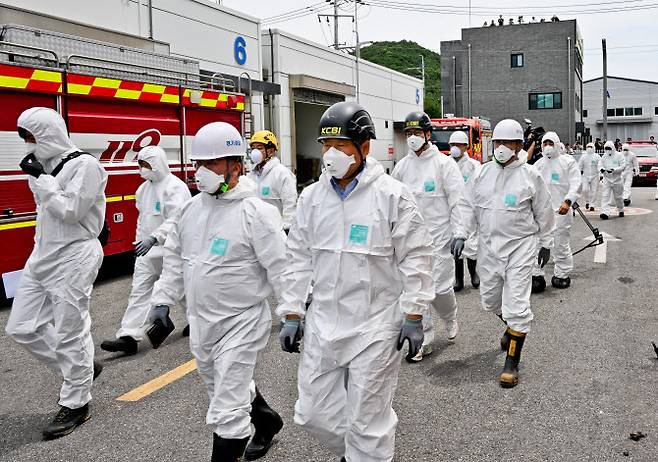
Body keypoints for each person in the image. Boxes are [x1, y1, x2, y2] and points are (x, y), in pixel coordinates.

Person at [278, 101, 434, 462]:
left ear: (364, 147)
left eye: (342, 146)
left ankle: (365, 454)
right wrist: (291, 312)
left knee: (368, 423)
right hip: (323, 324)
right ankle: (358, 454)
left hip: (375, 326)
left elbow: (417, 257)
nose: (331, 155)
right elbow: (297, 258)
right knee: (313, 413)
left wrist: (414, 314)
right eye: (326, 146)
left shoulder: (391, 196)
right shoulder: (312, 199)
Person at [149, 122, 286, 461]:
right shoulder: (192, 210)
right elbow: (175, 259)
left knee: (227, 410)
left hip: (242, 323)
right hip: (202, 323)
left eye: (211, 164)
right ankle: (266, 420)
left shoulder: (256, 213)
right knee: (224, 389)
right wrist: (162, 300)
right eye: (198, 164)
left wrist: (295, 313)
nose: (201, 172)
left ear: (235, 166)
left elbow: (285, 269)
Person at [5, 107, 107, 439]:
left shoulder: (85, 166)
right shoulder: (43, 168)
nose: (28, 146)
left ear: (48, 134)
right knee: (22, 326)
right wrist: (40, 178)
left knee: (70, 331)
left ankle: (76, 402)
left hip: (75, 254)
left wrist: (42, 182)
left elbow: (71, 211)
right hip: (43, 254)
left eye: (31, 138)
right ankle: (81, 369)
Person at [451, 119, 555, 388]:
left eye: (507, 143)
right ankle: (511, 329)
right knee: (491, 301)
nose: (501, 148)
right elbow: (466, 205)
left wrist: (546, 242)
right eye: (497, 142)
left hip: (521, 248)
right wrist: (461, 232)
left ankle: (511, 364)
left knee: (518, 306)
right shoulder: (482, 173)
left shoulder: (531, 176)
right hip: (489, 248)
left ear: (519, 145)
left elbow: (544, 212)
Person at [100, 146, 191, 355]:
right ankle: (129, 336)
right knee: (139, 292)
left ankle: (197, 322)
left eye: (146, 165)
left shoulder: (175, 188)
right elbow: (143, 221)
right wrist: (140, 242)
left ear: (158, 163)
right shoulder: (143, 190)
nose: (142, 169)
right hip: (147, 253)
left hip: (171, 251)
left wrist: (155, 237)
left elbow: (177, 220)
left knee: (184, 290)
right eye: (140, 165)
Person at [392, 111, 465, 361]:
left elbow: (459, 202)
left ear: (427, 134)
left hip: (440, 241)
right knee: (415, 291)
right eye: (408, 133)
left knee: (441, 290)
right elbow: (392, 204)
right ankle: (423, 340)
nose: (412, 138)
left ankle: (450, 316)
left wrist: (460, 233)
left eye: (416, 133)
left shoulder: (444, 165)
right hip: (410, 244)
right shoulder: (401, 167)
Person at [531, 132, 581, 291]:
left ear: (557, 144)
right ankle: (537, 275)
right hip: (542, 212)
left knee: (561, 243)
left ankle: (562, 274)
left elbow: (576, 183)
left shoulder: (568, 162)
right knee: (538, 243)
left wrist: (568, 201)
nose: (547, 146)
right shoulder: (538, 165)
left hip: (561, 211)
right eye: (544, 143)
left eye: (550, 143)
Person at [448, 130, 481, 292]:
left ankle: (474, 273)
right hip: (453, 210)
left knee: (472, 243)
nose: (454, 148)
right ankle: (458, 278)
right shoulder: (446, 164)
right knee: (455, 245)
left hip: (470, 210)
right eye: (452, 145)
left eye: (458, 145)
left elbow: (480, 188)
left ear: (465, 147)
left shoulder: (474, 166)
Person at [247, 130, 298, 232]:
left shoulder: (282, 174)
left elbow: (290, 205)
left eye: (259, 148)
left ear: (270, 151)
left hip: (276, 232)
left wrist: (285, 230)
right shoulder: (251, 175)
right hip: (255, 232)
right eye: (253, 148)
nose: (255, 152)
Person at [598, 140, 625, 220]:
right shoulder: (604, 156)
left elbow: (623, 165)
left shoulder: (619, 155)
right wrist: (602, 169)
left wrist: (614, 170)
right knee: (605, 196)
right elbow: (600, 164)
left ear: (613, 147)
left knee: (618, 197)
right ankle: (605, 212)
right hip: (607, 179)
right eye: (606, 148)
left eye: (609, 148)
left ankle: (621, 209)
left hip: (617, 179)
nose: (607, 150)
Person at [578, 142, 600, 211]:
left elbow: (600, 165)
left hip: (595, 176)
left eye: (591, 147)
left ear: (593, 148)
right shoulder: (583, 157)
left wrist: (601, 174)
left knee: (594, 191)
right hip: (585, 176)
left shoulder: (597, 156)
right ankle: (587, 201)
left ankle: (592, 204)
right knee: (585, 190)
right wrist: (578, 173)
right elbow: (579, 166)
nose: (589, 148)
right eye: (588, 147)